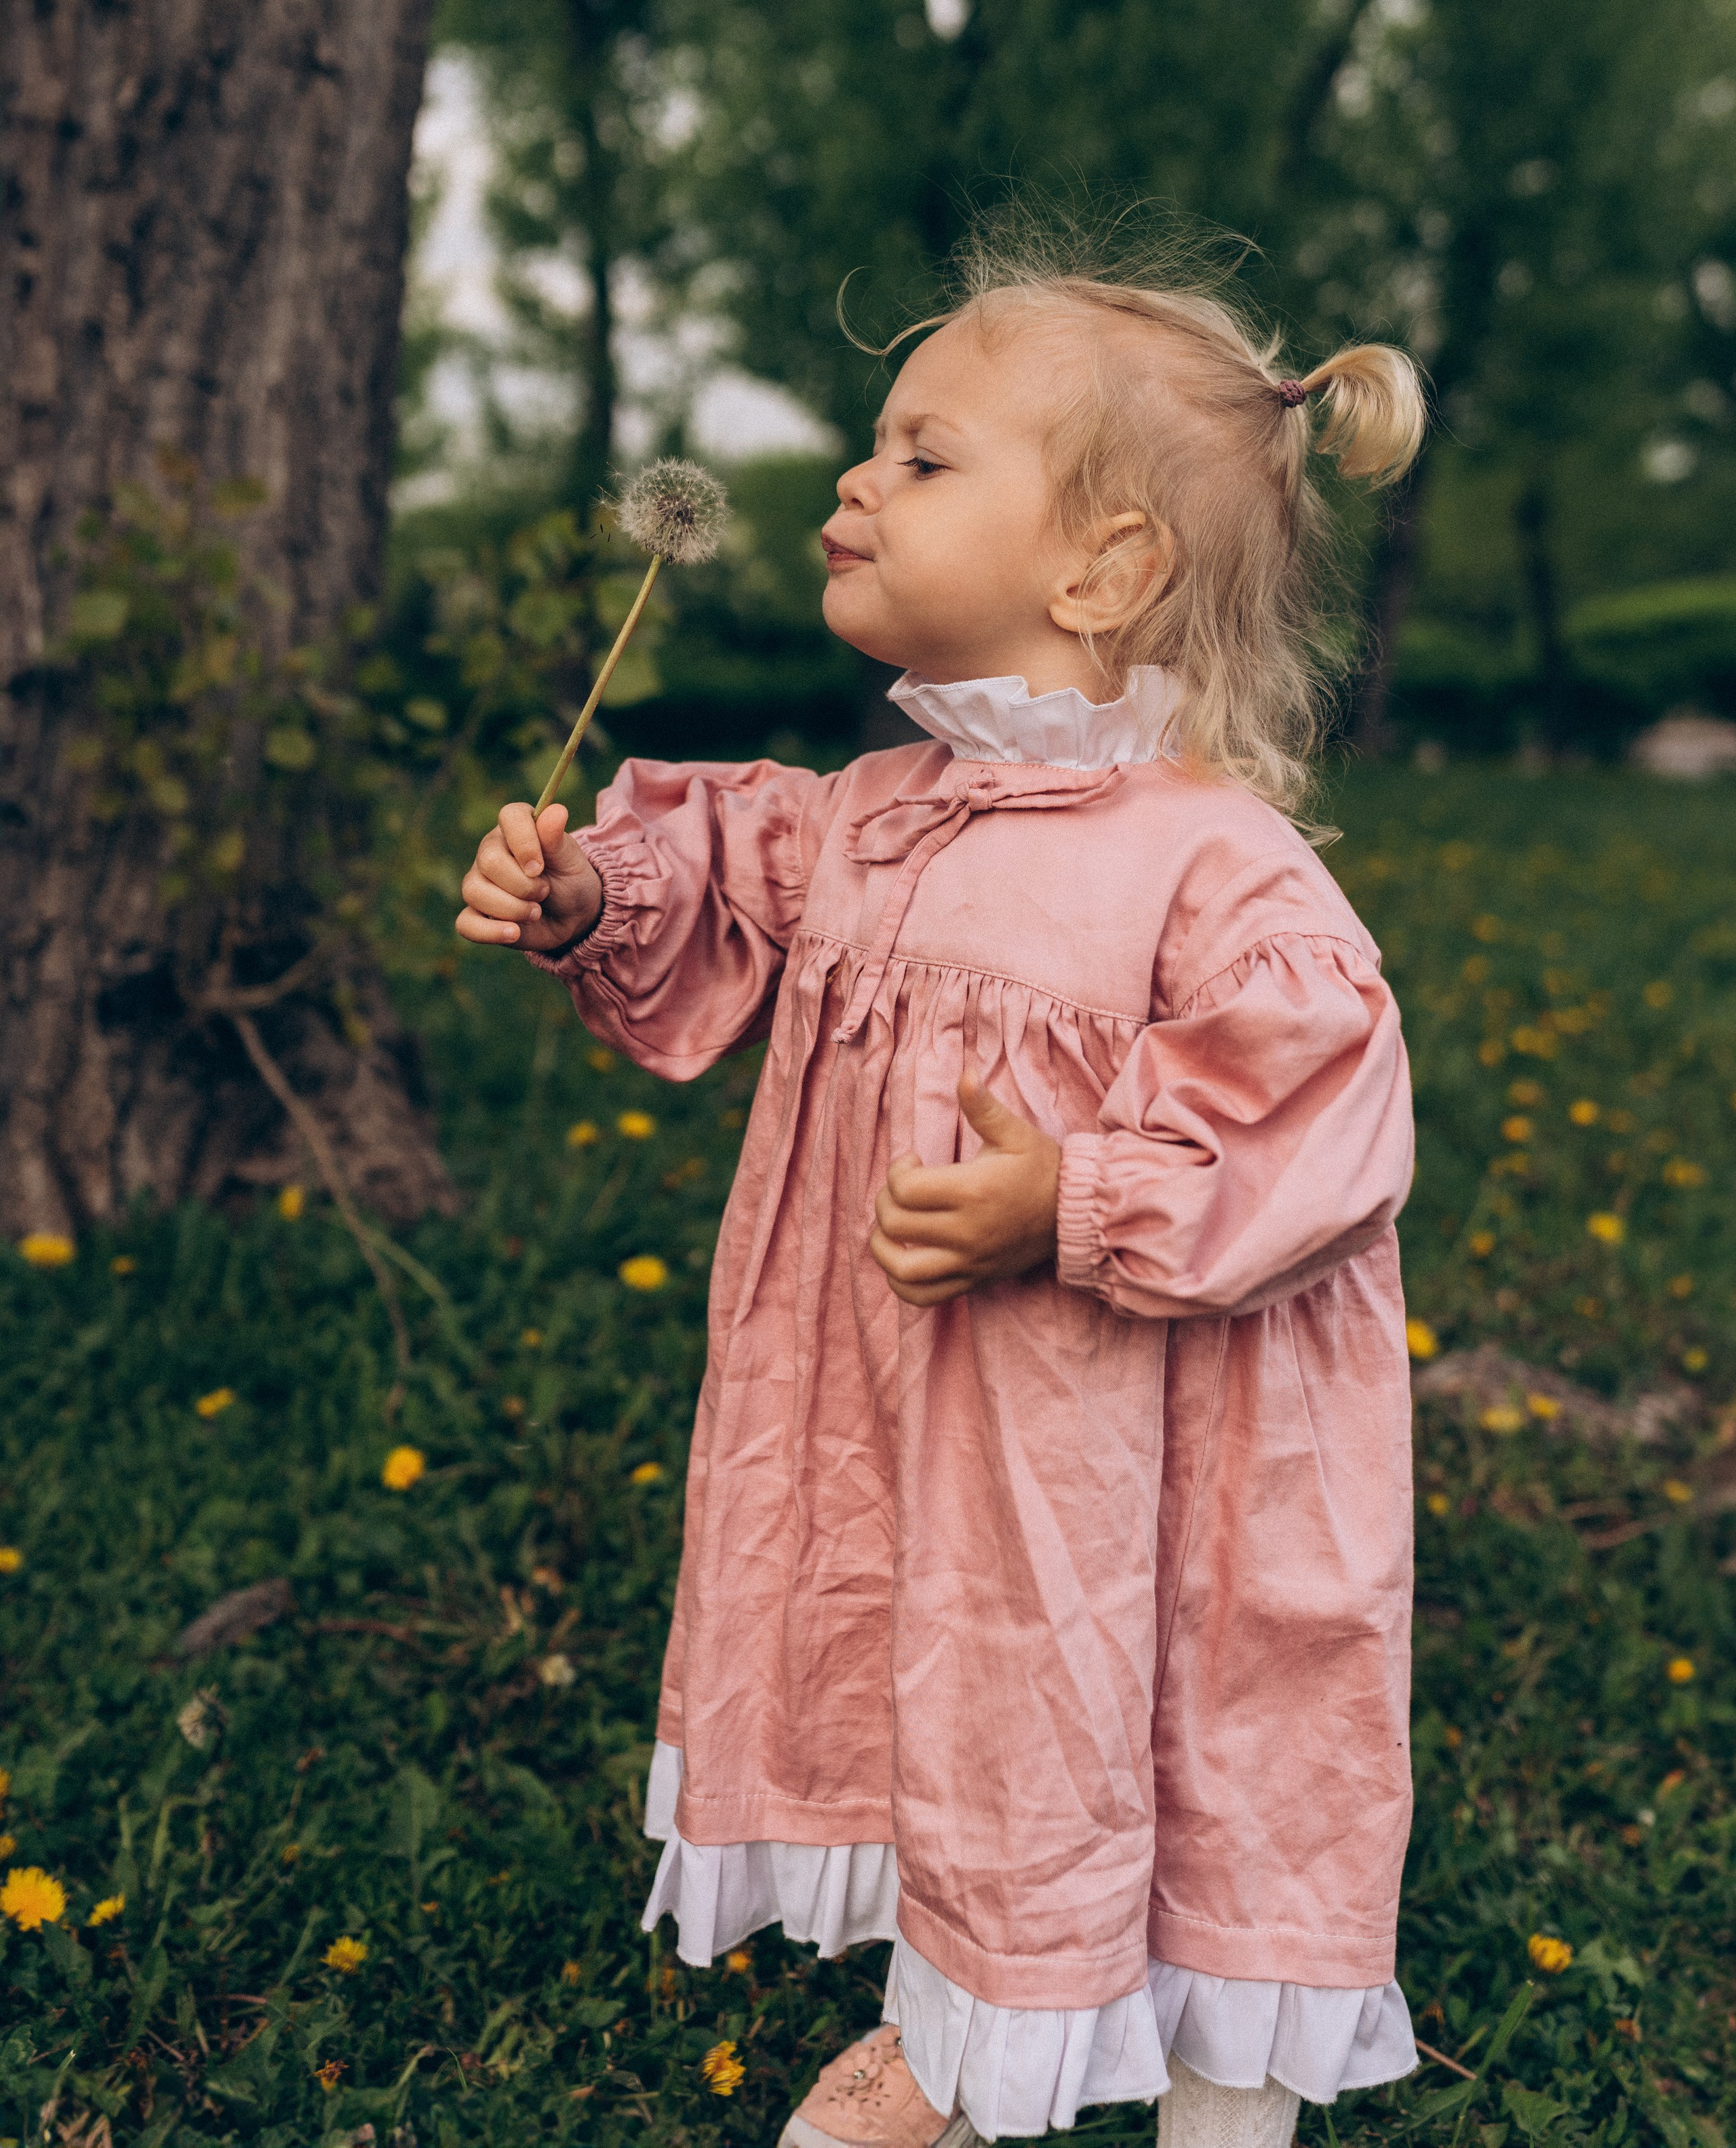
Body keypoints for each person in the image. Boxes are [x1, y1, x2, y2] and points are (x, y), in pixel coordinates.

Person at [456, 231, 1426, 2148]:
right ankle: (985, 2006)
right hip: (947, 1431)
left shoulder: (1209, 862)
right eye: (873, 448)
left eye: (923, 454)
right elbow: (737, 884)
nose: (853, 482)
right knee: (977, 1681)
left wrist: (1075, 1202)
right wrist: (593, 898)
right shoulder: (878, 811)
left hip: (1158, 1443)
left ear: (1104, 569)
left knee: (1186, 1713)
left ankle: (1191, 2091)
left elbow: (1323, 1113)